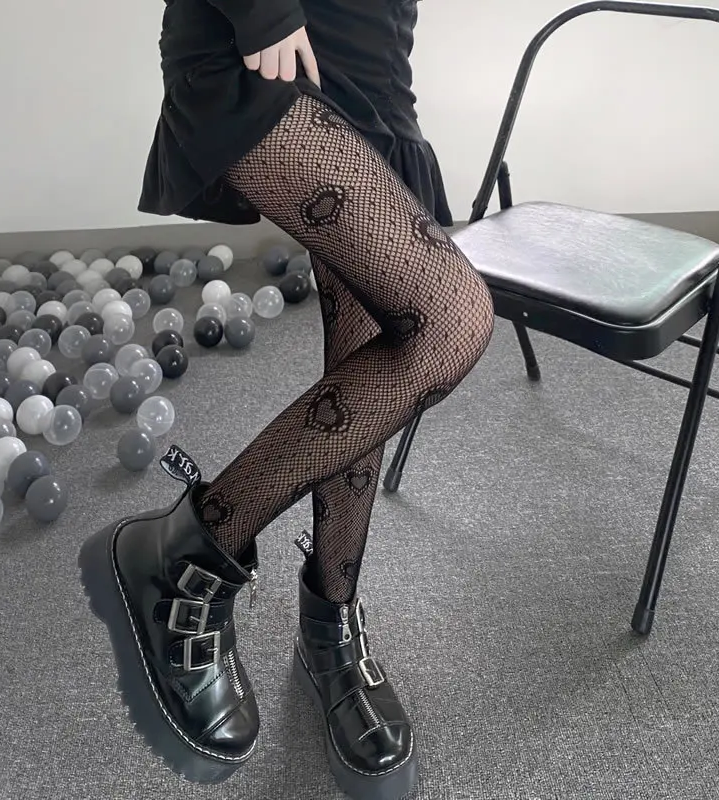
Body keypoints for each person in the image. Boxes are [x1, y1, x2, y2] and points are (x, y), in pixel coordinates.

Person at [79, 1, 494, 799]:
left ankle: (330, 622)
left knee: (377, 353)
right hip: (270, 31)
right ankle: (188, 545)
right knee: (452, 318)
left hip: (371, 58)